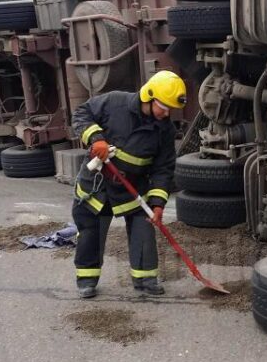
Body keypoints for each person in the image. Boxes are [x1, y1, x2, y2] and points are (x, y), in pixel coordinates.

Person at [70, 70, 186, 299]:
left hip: (132, 187)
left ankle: (145, 278)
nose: (166, 113)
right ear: (149, 96)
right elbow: (81, 114)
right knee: (90, 233)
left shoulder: (164, 130)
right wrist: (96, 138)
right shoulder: (114, 102)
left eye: (170, 109)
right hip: (97, 184)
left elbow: (163, 168)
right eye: (163, 107)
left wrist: (158, 203)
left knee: (143, 229)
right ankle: (87, 279)